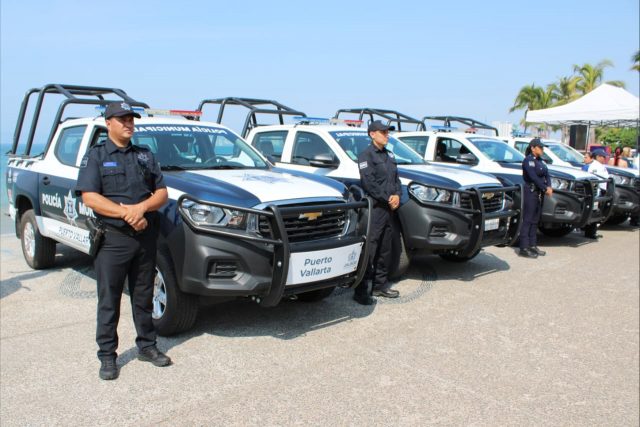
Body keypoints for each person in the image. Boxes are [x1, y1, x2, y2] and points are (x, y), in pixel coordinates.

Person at [76, 102, 170, 380]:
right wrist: (127, 214)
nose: (129, 124)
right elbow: (90, 197)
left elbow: (161, 193)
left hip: (145, 237)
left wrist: (141, 209)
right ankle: (107, 356)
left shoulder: (145, 155)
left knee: (144, 296)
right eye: (122, 119)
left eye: (131, 119)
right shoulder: (96, 156)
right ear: (108, 123)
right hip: (113, 239)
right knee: (109, 300)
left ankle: (147, 346)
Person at [354, 120, 402, 305]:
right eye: (383, 132)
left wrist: (397, 195)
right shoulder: (366, 156)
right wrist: (388, 198)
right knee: (370, 251)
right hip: (376, 209)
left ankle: (379, 286)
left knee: (385, 249)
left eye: (387, 132)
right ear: (372, 134)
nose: (387, 135)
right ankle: (361, 291)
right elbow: (369, 183)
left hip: (389, 209)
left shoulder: (389, 155)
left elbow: (396, 179)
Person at [519, 138, 552, 258]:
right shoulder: (528, 160)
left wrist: (549, 186)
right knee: (528, 219)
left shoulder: (540, 161)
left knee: (535, 220)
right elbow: (533, 177)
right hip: (531, 191)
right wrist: (545, 188)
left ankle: (532, 245)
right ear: (533, 148)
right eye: (540, 147)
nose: (542, 150)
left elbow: (547, 174)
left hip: (539, 192)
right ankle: (524, 247)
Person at [584, 149, 609, 239]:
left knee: (597, 211)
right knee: (594, 211)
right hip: (596, 192)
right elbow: (594, 179)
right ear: (598, 157)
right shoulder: (594, 166)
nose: (604, 158)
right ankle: (590, 232)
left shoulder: (600, 165)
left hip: (601, 191)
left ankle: (592, 231)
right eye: (603, 157)